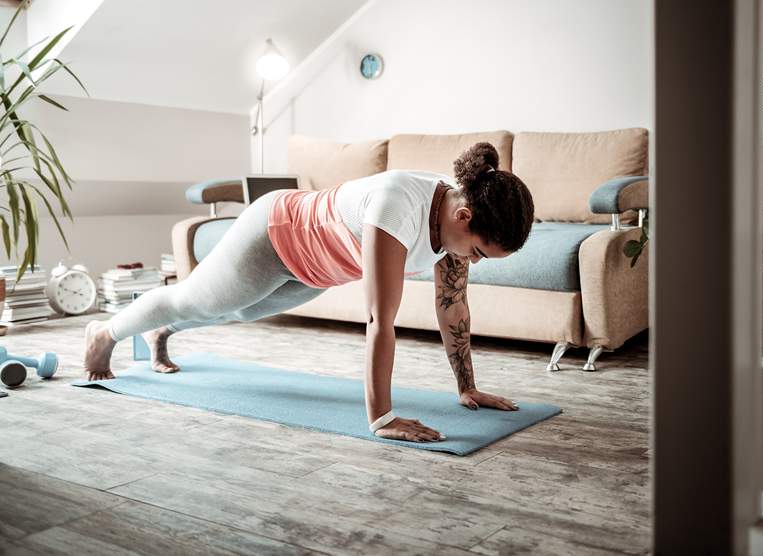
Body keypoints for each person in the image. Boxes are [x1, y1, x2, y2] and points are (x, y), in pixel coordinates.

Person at [83, 142, 535, 443]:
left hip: (316, 269)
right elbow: (380, 320)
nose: (471, 263)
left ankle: (161, 332)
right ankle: (105, 333)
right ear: (464, 217)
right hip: (275, 234)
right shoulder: (399, 206)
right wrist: (382, 418)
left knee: (238, 312)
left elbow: (453, 305)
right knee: (195, 300)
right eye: (478, 252)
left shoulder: (460, 212)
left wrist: (467, 388)